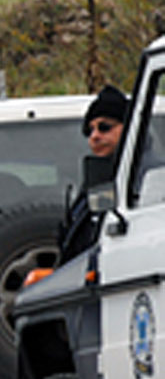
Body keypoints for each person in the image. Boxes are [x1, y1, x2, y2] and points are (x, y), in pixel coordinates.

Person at [59, 86, 128, 263]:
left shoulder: (148, 176)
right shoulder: (94, 180)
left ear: (129, 127)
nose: (95, 136)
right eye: (90, 130)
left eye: (105, 127)